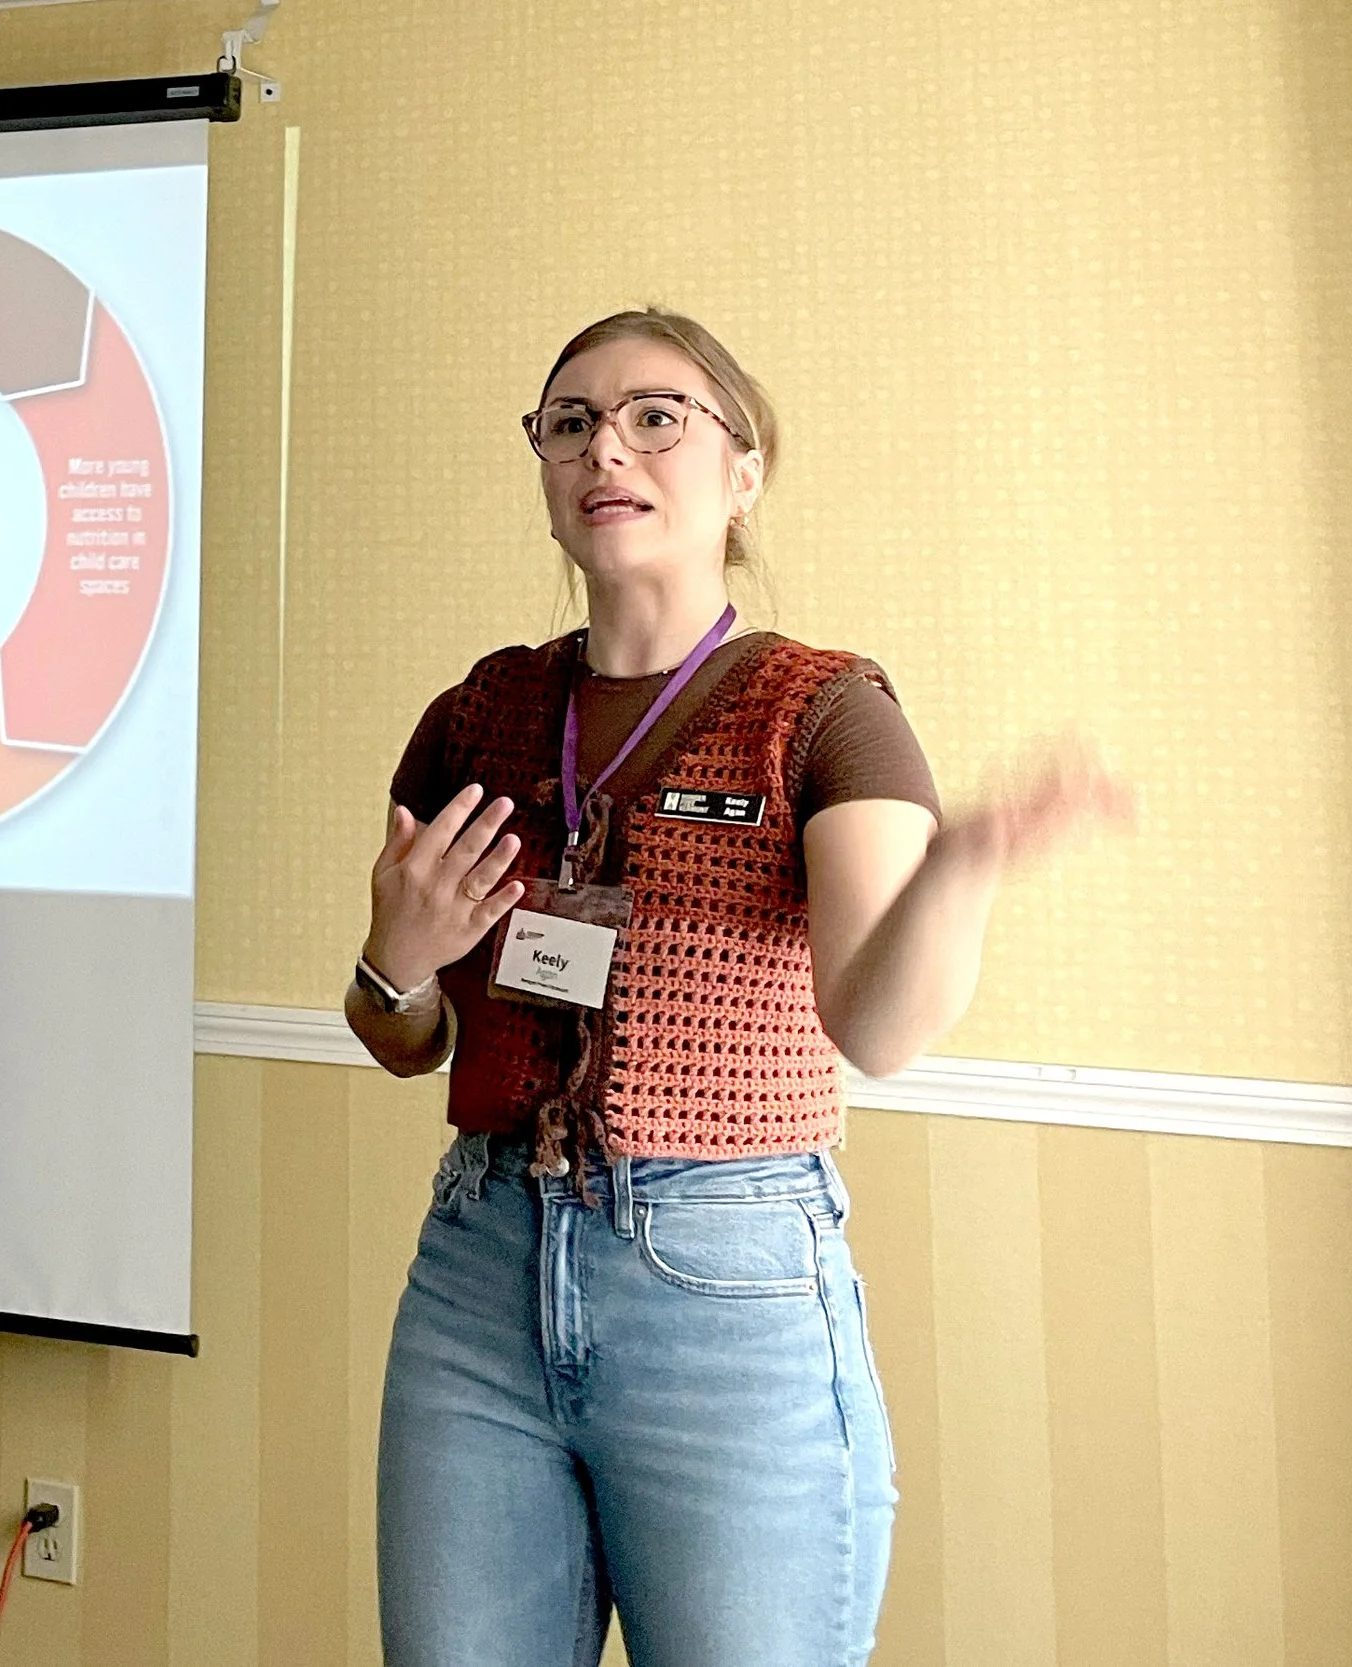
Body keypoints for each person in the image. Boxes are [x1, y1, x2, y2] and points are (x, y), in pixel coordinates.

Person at [355, 309, 1129, 1667]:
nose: (611, 444)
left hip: (723, 1283)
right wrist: (393, 962)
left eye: (659, 414)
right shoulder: (474, 715)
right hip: (476, 1277)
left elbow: (876, 1026)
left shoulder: (822, 709)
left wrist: (965, 867)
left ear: (744, 468)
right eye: (572, 419)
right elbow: (401, 1034)